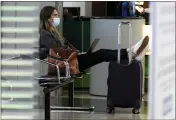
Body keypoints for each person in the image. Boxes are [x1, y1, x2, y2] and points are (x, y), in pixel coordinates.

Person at [39, 6, 149, 75]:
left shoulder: (54, 33)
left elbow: (66, 48)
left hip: (72, 61)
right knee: (102, 54)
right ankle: (131, 52)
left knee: (102, 53)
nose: (58, 17)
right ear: (47, 18)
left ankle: (131, 52)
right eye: (55, 15)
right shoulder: (45, 34)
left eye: (58, 15)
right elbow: (58, 51)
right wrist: (75, 52)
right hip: (67, 65)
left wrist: (78, 52)